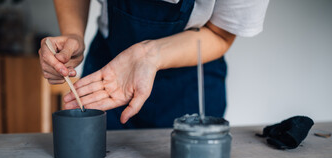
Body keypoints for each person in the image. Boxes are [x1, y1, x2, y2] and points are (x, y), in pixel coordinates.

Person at [39, 0, 269, 129]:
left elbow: (220, 35)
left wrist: (148, 55)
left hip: (189, 81)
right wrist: (73, 33)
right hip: (108, 71)